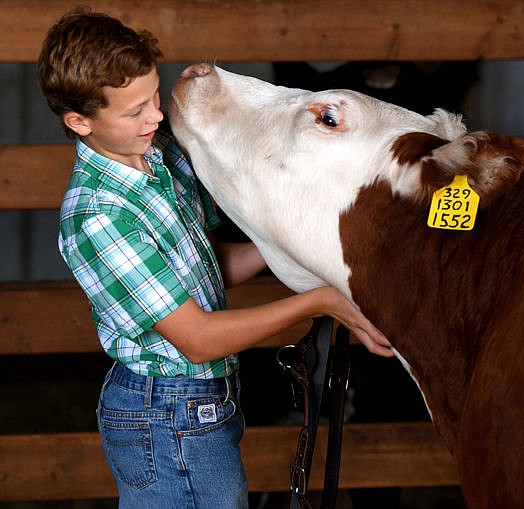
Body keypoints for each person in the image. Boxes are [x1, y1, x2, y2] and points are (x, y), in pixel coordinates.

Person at [37, 8, 393, 509]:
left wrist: (313, 255)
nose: (157, 117)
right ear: (79, 122)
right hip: (163, 413)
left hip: (203, 402)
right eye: (133, 111)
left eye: (154, 96)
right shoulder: (98, 217)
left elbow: (209, 267)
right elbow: (197, 339)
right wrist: (320, 302)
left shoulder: (158, 157)